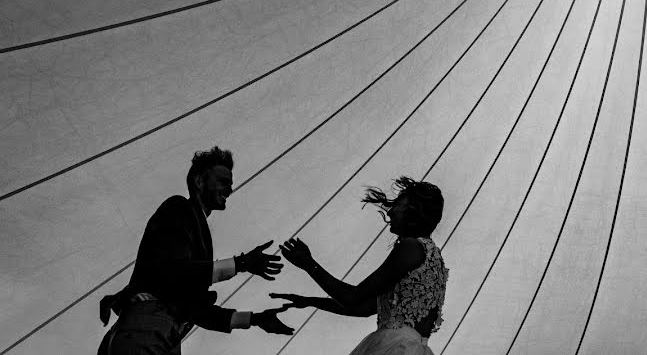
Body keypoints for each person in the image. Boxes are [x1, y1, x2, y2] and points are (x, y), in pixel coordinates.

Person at [97, 146, 294, 354]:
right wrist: (241, 264)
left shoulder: (198, 230)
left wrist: (253, 319)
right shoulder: (179, 207)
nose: (229, 190)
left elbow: (197, 309)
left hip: (164, 337)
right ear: (199, 181)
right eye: (223, 182)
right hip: (147, 329)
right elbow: (175, 269)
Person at [273, 176, 449, 355]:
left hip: (394, 347)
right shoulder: (433, 258)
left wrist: (309, 264)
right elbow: (365, 308)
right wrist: (310, 301)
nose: (390, 212)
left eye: (398, 205)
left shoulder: (411, 247)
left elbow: (353, 298)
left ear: (412, 211)